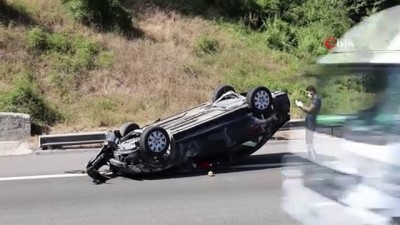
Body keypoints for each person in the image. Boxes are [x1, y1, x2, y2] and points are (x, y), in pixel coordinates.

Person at [295, 85, 322, 160]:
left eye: (308, 93)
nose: (308, 95)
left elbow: (309, 110)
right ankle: (311, 155)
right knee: (308, 139)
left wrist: (301, 106)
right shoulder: (314, 100)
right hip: (309, 121)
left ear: (312, 92)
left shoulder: (317, 100)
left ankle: (313, 157)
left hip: (311, 122)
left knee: (309, 139)